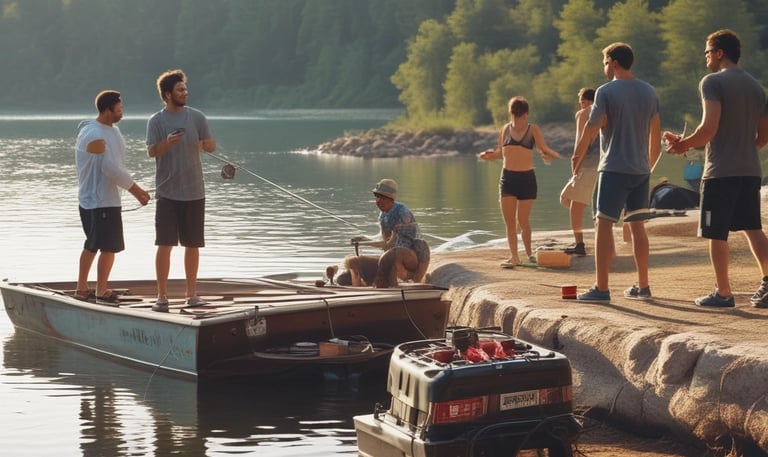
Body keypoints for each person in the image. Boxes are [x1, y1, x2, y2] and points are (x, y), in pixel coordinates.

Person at [664, 29, 768, 308]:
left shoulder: (712, 82)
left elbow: (708, 128)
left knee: (715, 231)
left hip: (720, 172)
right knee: (752, 228)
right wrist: (742, 149)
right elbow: (763, 136)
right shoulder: (757, 88)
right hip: (749, 170)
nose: (706, 57)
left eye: (708, 51)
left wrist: (683, 145)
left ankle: (723, 293)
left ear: (720, 53)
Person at [573, 43, 661, 303]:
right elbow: (655, 133)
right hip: (640, 169)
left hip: (613, 168)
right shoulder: (649, 91)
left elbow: (591, 128)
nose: (604, 67)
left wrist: (576, 157)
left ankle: (601, 287)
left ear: (612, 62)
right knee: (637, 228)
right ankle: (643, 286)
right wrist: (649, 165)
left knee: (603, 225)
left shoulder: (606, 91)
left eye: (604, 61)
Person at [146, 69, 216, 312]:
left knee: (193, 245)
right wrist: (167, 143)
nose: (185, 93)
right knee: (164, 244)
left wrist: (206, 144)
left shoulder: (197, 117)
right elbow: (152, 151)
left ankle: (192, 294)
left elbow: (211, 146)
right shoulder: (156, 121)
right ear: (167, 95)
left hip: (195, 191)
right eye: (180, 90)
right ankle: (162, 296)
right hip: (167, 193)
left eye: (185, 89)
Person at [75, 90, 150, 302]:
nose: (122, 111)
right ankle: (98, 290)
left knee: (95, 244)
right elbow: (110, 168)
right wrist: (136, 191)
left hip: (102, 200)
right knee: (105, 246)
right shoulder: (93, 133)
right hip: (99, 201)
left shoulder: (113, 131)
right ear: (108, 109)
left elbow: (117, 166)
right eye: (120, 108)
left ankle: (86, 288)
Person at [479, 96, 561, 268]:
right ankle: (514, 257)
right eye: (516, 115)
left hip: (527, 179)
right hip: (508, 179)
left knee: (522, 221)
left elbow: (543, 149)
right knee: (510, 223)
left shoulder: (533, 130)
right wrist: (488, 156)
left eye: (521, 115)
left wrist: (552, 155)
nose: (519, 118)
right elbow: (500, 152)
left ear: (526, 113)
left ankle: (529, 254)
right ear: (512, 114)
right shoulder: (505, 129)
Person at [335, 179, 430, 288]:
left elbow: (390, 243)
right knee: (352, 261)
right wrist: (363, 239)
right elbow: (382, 238)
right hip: (389, 255)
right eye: (377, 197)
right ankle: (358, 287)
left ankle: (404, 280)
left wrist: (366, 244)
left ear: (391, 199)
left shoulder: (402, 213)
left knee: (392, 255)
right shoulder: (383, 215)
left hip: (410, 256)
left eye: (383, 198)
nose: (379, 201)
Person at [561, 88, 599, 256]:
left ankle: (579, 244)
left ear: (589, 101)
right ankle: (595, 226)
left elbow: (580, 142)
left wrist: (575, 164)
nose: (581, 106)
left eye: (583, 102)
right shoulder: (607, 113)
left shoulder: (583, 114)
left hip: (588, 165)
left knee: (575, 206)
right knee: (566, 198)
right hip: (603, 165)